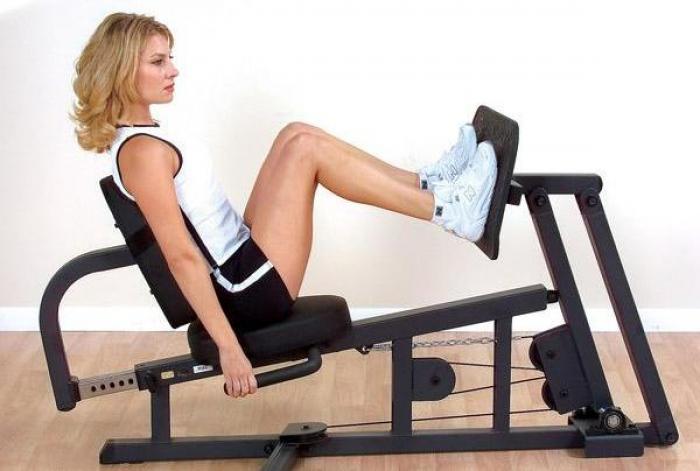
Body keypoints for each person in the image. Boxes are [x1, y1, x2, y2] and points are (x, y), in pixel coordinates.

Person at [70, 13, 498, 400]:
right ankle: (450, 211)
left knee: (296, 135)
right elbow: (180, 257)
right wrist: (229, 348)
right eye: (158, 62)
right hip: (245, 289)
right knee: (306, 149)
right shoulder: (142, 152)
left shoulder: (143, 137)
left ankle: (429, 184)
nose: (173, 70)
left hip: (240, 254)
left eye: (170, 58)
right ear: (122, 71)